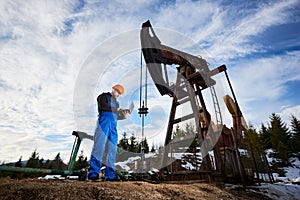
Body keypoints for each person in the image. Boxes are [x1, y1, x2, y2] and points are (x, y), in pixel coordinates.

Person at [88, 84, 130, 181]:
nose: (118, 94)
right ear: (113, 89)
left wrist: (123, 116)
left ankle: (110, 175)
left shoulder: (117, 103)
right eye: (117, 92)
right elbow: (103, 107)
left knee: (112, 149)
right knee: (99, 146)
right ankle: (93, 173)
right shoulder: (103, 96)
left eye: (120, 93)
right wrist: (117, 110)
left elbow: (116, 116)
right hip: (104, 123)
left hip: (113, 126)